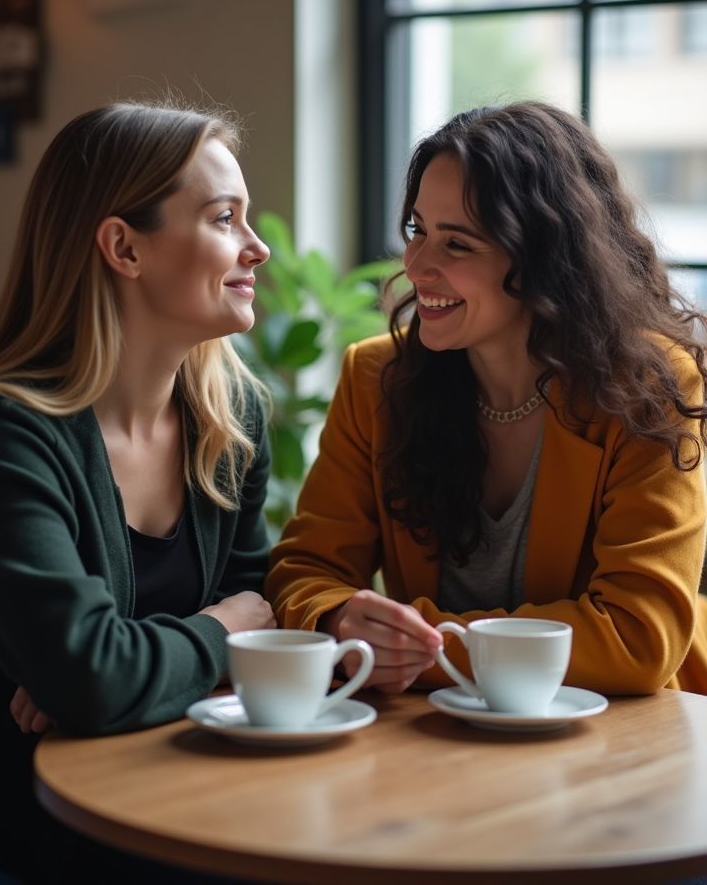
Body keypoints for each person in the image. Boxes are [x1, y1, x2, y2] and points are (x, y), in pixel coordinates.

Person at [0, 100, 277, 884]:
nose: (256, 248)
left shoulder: (235, 418)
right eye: (226, 219)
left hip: (178, 802)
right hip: (10, 834)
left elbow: (267, 606)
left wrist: (120, 676)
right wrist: (213, 630)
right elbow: (99, 673)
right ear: (123, 247)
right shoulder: (4, 434)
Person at [266, 100, 707, 699]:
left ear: (546, 259)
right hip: (436, 740)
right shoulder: (376, 380)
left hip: (622, 738)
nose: (416, 265)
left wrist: (418, 649)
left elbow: (638, 638)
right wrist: (338, 619)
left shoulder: (647, 387)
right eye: (419, 230)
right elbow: (303, 570)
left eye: (458, 244)